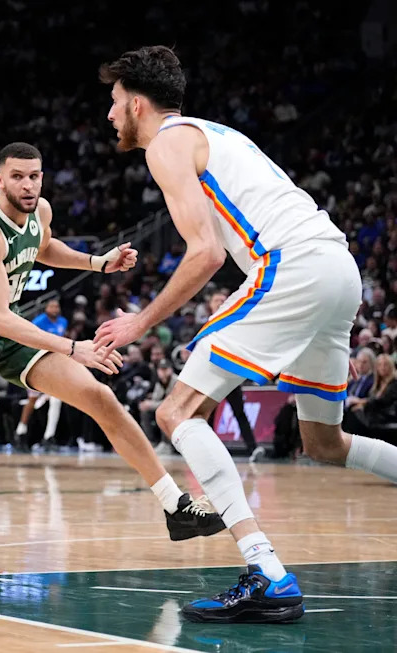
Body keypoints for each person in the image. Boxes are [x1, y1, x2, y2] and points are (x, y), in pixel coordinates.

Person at [95, 45, 397, 623]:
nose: (109, 116)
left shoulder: (166, 144)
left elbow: (206, 253)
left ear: (136, 103)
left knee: (175, 414)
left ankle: (268, 575)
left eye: (112, 103)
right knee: (324, 444)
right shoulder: (215, 133)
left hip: (292, 266)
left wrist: (139, 321)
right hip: (336, 267)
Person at [0, 142, 225, 573]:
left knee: (99, 397)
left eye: (34, 176)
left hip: (12, 323)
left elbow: (43, 248)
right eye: (17, 177)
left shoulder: (40, 211)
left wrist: (98, 263)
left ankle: (174, 505)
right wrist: (72, 347)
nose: (27, 184)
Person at [205, 290, 264, 462]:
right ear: (210, 304)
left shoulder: (235, 321)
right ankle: (207, 451)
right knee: (208, 416)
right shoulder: (206, 324)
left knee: (239, 413)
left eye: (223, 300)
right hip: (211, 375)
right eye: (216, 299)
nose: (220, 302)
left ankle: (253, 449)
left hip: (230, 374)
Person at [15, 299, 68, 444]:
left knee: (57, 399)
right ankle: (21, 430)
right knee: (32, 399)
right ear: (46, 308)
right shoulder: (38, 321)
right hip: (36, 362)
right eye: (52, 306)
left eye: (57, 306)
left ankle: (49, 436)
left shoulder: (63, 322)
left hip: (54, 364)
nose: (55, 309)